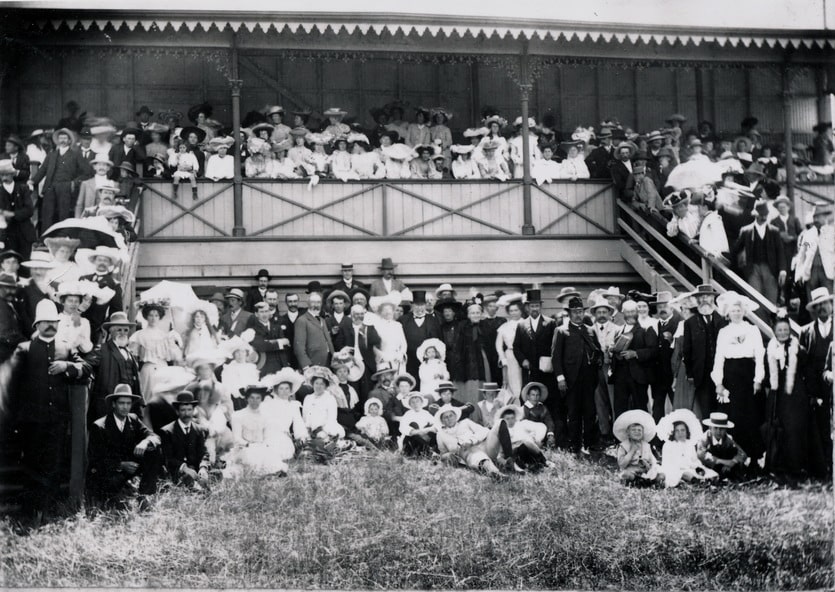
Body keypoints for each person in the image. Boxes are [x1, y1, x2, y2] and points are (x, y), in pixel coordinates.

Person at [11, 299, 91, 517]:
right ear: (37, 325)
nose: (50, 325)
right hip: (31, 420)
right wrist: (16, 420)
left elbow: (86, 369)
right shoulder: (24, 349)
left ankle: (50, 511)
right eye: (45, 322)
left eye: (53, 322)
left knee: (54, 465)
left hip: (56, 419)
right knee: (31, 465)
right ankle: (30, 513)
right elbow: (12, 386)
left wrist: (68, 366)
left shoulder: (65, 348)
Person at [710, 291, 765, 465]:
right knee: (733, 416)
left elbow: (760, 355)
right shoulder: (724, 332)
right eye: (733, 310)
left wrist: (758, 379)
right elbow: (719, 357)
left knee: (751, 416)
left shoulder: (752, 329)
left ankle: (754, 458)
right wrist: (718, 382)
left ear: (744, 311)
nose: (736, 313)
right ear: (728, 313)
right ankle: (733, 458)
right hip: (730, 376)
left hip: (748, 374)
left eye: (739, 310)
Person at [87, 384, 163, 506]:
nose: (125, 407)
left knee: (153, 449)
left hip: (130, 469)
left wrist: (145, 442)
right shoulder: (100, 426)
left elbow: (155, 437)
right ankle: (116, 495)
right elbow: (96, 460)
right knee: (116, 503)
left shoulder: (133, 419)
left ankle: (144, 495)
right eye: (121, 403)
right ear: (113, 404)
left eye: (128, 403)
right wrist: (121, 465)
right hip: (109, 472)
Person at [552, 296, 603, 452]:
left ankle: (589, 443)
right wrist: (560, 378)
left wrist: (598, 358)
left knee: (590, 412)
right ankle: (574, 444)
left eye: (580, 311)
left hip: (589, 379)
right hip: (570, 379)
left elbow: (598, 350)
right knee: (573, 413)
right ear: (569, 313)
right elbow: (556, 357)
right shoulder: (561, 331)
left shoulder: (590, 330)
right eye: (574, 312)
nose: (578, 315)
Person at [763, 312, 810, 477]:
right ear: (774, 331)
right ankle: (777, 466)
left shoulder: (798, 349)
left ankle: (795, 467)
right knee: (777, 429)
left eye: (785, 330)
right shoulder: (770, 349)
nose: (782, 333)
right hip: (777, 396)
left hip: (794, 395)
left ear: (789, 330)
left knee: (793, 430)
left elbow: (807, 370)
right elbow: (767, 376)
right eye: (779, 330)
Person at [799, 287, 833, 478]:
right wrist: (811, 394)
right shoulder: (806, 332)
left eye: (825, 303)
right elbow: (804, 365)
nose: (822, 308)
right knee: (821, 430)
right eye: (817, 305)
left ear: (832, 304)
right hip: (817, 392)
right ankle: (824, 469)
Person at [86, 311, 143, 425]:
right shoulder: (102, 350)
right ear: (111, 331)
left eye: (125, 330)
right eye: (119, 330)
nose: (123, 333)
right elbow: (86, 365)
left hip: (128, 406)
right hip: (108, 405)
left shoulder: (129, 353)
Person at [30, 128, 89, 231]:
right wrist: (33, 181)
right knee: (47, 214)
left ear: (69, 140)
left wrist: (74, 182)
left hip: (65, 187)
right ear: (57, 140)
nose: (62, 140)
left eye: (65, 138)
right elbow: (43, 169)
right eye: (60, 138)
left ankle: (63, 237)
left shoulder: (76, 155)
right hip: (50, 187)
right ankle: (45, 238)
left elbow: (87, 172)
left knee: (63, 214)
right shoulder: (52, 154)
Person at [682, 284, 727, 419]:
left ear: (713, 298)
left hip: (723, 372)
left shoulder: (723, 320)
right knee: (706, 409)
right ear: (697, 300)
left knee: (723, 407)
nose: (705, 299)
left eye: (708, 296)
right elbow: (687, 350)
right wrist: (690, 373)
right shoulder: (690, 323)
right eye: (701, 297)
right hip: (702, 373)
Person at [513, 289, 558, 420]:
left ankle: (549, 431)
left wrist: (550, 361)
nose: (534, 309)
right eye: (532, 306)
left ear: (541, 306)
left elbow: (555, 346)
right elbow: (516, 347)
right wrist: (523, 361)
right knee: (528, 399)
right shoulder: (521, 325)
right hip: (529, 370)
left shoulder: (550, 323)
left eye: (537, 306)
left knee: (546, 399)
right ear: (527, 307)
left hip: (545, 370)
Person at [732, 199, 786, 304]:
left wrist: (782, 270)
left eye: (765, 214)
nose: (764, 217)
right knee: (755, 299)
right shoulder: (746, 231)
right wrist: (740, 265)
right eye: (761, 214)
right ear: (755, 215)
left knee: (771, 298)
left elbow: (780, 252)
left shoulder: (774, 231)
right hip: (753, 269)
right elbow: (735, 250)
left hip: (770, 269)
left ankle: (769, 320)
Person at [227, 385, 289, 478]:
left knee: (271, 458)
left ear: (261, 399)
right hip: (244, 448)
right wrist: (249, 445)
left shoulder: (265, 416)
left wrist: (265, 444)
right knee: (252, 458)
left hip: (261, 446)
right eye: (251, 398)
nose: (254, 401)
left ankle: (269, 473)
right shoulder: (238, 415)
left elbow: (267, 435)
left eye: (258, 398)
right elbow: (237, 438)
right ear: (247, 399)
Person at [610, 300, 657, 420]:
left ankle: (644, 435)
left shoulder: (646, 329)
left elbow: (653, 351)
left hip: (638, 376)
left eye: (633, 311)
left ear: (637, 312)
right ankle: (620, 437)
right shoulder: (619, 330)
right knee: (620, 408)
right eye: (627, 312)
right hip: (620, 376)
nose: (630, 314)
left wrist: (635, 353)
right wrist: (613, 351)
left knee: (640, 408)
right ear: (623, 313)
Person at [159, 391, 213, 489]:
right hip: (178, 472)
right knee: (188, 481)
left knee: (216, 475)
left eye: (189, 410)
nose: (187, 414)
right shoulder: (167, 431)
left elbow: (204, 453)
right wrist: (184, 468)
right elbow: (168, 458)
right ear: (177, 411)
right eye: (183, 410)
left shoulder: (200, 430)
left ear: (193, 411)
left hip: (197, 471)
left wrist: (203, 467)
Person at [658, 408, 717, 488]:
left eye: (683, 430)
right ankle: (697, 482)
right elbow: (668, 464)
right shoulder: (668, 445)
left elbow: (694, 460)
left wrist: (698, 467)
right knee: (685, 474)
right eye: (677, 431)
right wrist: (683, 467)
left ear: (687, 432)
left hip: (690, 468)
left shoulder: (689, 444)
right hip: (674, 470)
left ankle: (702, 481)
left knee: (713, 474)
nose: (680, 433)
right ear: (673, 432)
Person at [260, 368, 309, 457]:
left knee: (284, 451)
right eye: (281, 389)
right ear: (276, 390)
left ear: (291, 391)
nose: (284, 391)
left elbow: (298, 423)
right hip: (269, 434)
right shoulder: (269, 403)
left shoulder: (293, 405)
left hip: (284, 436)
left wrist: (301, 437)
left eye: (287, 388)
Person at [589, 297, 619, 444]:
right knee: (599, 400)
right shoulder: (589, 330)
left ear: (609, 314)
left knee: (613, 399)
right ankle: (604, 432)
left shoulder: (617, 329)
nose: (601, 315)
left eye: (604, 312)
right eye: (598, 312)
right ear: (594, 314)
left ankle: (617, 432)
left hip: (611, 367)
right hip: (595, 369)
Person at [79, 246, 124, 339]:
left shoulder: (113, 284)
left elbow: (116, 309)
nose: (102, 263)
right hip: (78, 321)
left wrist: (104, 326)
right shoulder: (83, 279)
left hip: (96, 326)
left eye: (105, 260)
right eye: (99, 260)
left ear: (109, 264)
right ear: (95, 261)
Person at [795, 202, 835, 301]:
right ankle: (814, 317)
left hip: (827, 272)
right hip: (811, 271)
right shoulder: (808, 234)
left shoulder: (832, 232)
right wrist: (799, 274)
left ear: (825, 217)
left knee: (828, 300)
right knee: (812, 300)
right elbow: (801, 255)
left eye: (818, 217)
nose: (816, 220)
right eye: (814, 217)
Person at [613, 409, 664, 486]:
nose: (637, 432)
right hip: (632, 471)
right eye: (633, 430)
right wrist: (631, 451)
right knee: (625, 475)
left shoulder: (646, 445)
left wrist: (652, 467)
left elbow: (653, 460)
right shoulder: (623, 446)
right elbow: (622, 464)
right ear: (628, 433)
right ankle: (637, 481)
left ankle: (646, 481)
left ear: (643, 433)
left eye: (639, 430)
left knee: (661, 475)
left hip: (645, 472)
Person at [399, 290, 441, 379]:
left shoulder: (434, 321)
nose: (419, 308)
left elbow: (438, 341)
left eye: (421, 305)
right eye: (417, 305)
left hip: (427, 362)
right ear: (412, 305)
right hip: (409, 362)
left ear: (425, 305)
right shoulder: (403, 320)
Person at [0, 159, 35, 262]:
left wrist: (12, 214)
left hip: (24, 233)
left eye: (7, 174)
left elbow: (29, 210)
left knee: (25, 263)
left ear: (13, 174)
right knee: (9, 264)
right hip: (7, 235)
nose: (4, 177)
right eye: (2, 175)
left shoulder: (23, 189)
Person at [695, 412, 748, 478]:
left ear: (726, 429)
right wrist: (723, 462)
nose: (718, 431)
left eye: (722, 429)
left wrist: (733, 462)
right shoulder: (704, 439)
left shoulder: (728, 439)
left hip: (724, 466)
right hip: (708, 466)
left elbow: (742, 454)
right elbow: (701, 455)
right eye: (716, 428)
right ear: (710, 428)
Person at [247, 301, 291, 377]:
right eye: (261, 312)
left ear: (270, 313)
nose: (264, 314)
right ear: (256, 314)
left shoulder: (277, 328)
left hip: (279, 366)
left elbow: (284, 349)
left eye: (266, 311)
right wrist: (280, 342)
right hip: (263, 367)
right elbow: (262, 346)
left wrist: (285, 366)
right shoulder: (252, 330)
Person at [302, 366, 345, 440]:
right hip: (310, 429)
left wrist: (321, 429)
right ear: (313, 384)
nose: (318, 386)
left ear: (325, 386)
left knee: (322, 438)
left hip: (326, 428)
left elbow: (332, 418)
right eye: (316, 383)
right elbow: (305, 417)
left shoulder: (330, 398)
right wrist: (308, 429)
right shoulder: (308, 398)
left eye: (322, 384)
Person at [294, 292, 334, 370]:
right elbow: (298, 347)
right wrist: (305, 366)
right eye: (313, 302)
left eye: (318, 302)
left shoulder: (322, 320)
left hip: (326, 363)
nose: (316, 305)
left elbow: (328, 342)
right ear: (308, 303)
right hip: (312, 364)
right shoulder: (302, 320)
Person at [495, 294, 524, 399]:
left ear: (521, 310)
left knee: (524, 381)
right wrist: (503, 358)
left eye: (516, 310)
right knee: (512, 382)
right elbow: (498, 345)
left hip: (524, 355)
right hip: (510, 356)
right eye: (511, 311)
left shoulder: (527, 324)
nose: (513, 313)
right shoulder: (504, 327)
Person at [519, 381, 556, 447]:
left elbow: (549, 420)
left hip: (541, 433)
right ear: (528, 396)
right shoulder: (524, 408)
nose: (535, 397)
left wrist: (550, 434)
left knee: (544, 426)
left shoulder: (543, 408)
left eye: (537, 395)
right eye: (533, 395)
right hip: (528, 433)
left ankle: (542, 442)